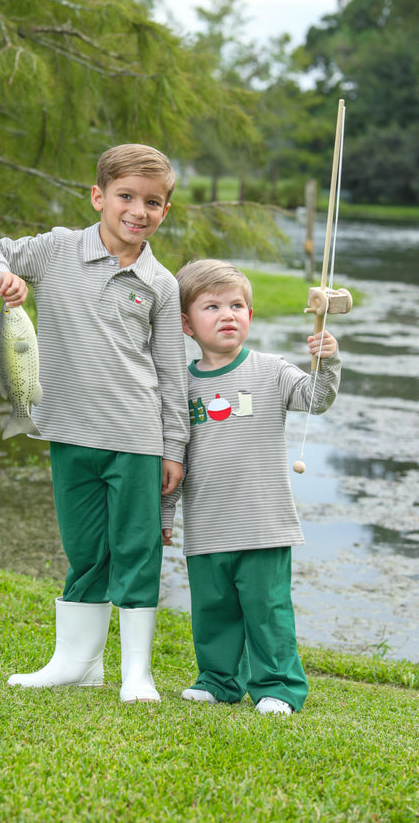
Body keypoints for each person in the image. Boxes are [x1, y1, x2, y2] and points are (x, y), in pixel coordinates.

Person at [0, 143, 189, 702]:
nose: (138, 211)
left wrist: (174, 447)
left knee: (137, 550)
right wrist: (0, 279)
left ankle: (136, 673)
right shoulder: (57, 250)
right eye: (126, 197)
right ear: (98, 197)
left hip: (136, 439)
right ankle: (76, 662)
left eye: (154, 202)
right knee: (85, 550)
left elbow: (169, 371)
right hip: (67, 434)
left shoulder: (160, 283)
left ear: (165, 210)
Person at [162, 259, 341, 715]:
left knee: (267, 610)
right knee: (214, 610)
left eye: (237, 305)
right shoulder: (180, 385)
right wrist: (166, 516)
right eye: (213, 306)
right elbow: (173, 458)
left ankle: (278, 687)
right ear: (186, 323)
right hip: (207, 526)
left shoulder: (271, 370)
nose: (228, 314)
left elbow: (316, 399)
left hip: (264, 524)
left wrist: (328, 360)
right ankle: (219, 680)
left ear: (251, 315)